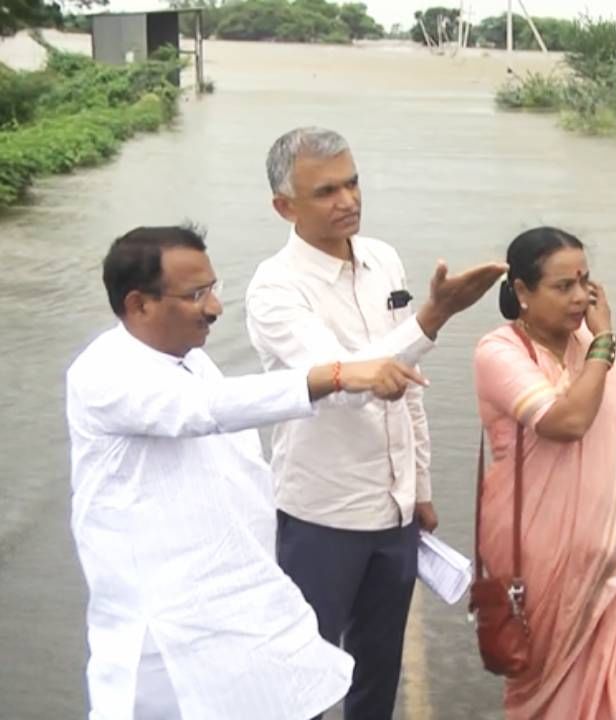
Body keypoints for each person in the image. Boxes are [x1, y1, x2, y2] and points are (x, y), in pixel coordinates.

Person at [66, 225, 425, 720]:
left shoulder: (192, 361)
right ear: (138, 304)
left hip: (229, 612)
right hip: (162, 639)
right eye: (195, 294)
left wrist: (421, 325)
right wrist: (332, 375)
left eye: (213, 288)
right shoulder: (104, 373)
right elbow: (207, 409)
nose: (214, 307)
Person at [244, 127, 505, 719]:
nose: (348, 200)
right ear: (285, 207)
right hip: (323, 514)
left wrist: (422, 488)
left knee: (379, 665)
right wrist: (435, 315)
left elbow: (406, 384)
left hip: (394, 510)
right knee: (306, 669)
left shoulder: (382, 259)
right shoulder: (275, 289)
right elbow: (338, 384)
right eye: (326, 191)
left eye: (353, 182)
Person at [471, 227, 616, 718]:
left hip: (611, 554)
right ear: (522, 293)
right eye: (562, 287)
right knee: (544, 688)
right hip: (535, 553)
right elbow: (567, 422)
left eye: (585, 282)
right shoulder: (500, 352)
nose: (579, 298)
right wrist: (603, 345)